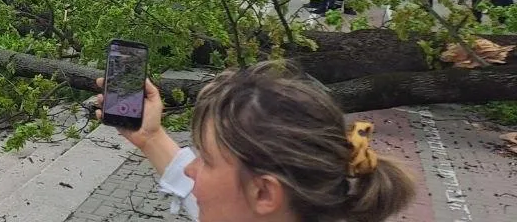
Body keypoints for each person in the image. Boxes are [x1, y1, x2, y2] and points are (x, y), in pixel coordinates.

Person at [94, 62, 417, 222]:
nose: (191, 170)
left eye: (206, 159)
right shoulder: (271, 207)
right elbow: (207, 195)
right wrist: (150, 137)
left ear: (264, 192)